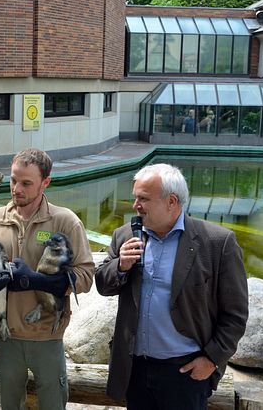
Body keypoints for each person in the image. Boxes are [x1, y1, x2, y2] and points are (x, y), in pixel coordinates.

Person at [94, 163, 248, 409]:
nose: (136, 205)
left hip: (185, 373)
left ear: (172, 201)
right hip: (136, 369)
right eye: (135, 198)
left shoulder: (217, 243)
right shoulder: (126, 235)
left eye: (143, 199)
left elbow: (236, 315)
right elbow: (103, 285)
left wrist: (211, 359)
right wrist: (120, 266)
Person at [0, 148, 95, 410]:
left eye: (26, 183)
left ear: (45, 183)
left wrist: (35, 280)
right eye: (13, 180)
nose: (16, 189)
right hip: (4, 336)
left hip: (47, 337)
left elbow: (85, 277)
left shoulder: (65, 222)